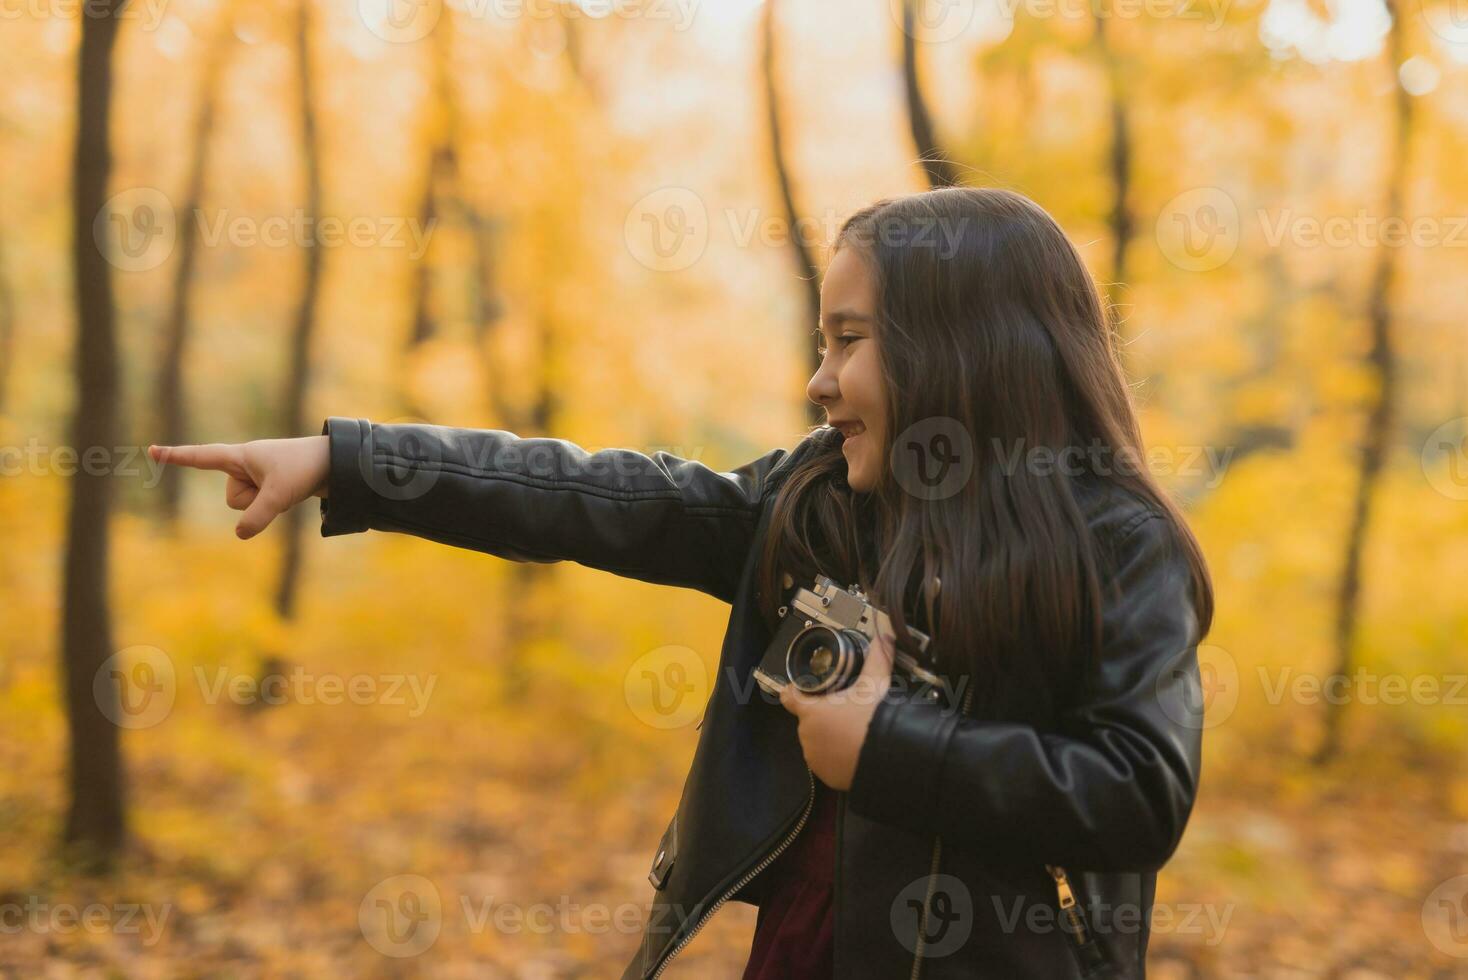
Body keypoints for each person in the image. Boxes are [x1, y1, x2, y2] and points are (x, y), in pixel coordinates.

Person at [150, 186, 1214, 978]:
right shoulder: (819, 503)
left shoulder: (1118, 546)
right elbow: (600, 495)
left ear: (963, 349)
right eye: (818, 342)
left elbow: (1136, 789)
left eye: (849, 342)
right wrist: (353, 459)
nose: (818, 380)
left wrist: (887, 746)